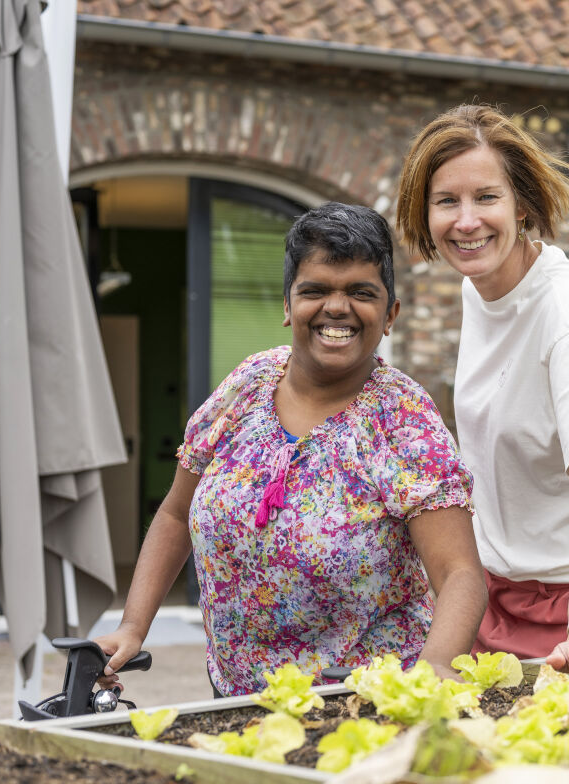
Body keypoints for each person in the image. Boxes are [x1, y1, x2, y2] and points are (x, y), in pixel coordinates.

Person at [95, 203, 486, 696]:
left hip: (358, 703)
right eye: (315, 290)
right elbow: (176, 515)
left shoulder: (403, 421)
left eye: (361, 293)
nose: (337, 307)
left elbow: (460, 574)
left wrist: (436, 667)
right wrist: (133, 627)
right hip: (234, 695)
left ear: (390, 315)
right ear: (287, 305)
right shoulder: (248, 384)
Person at [396, 104, 569, 672]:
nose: (466, 221)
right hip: (500, 602)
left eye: (486, 197)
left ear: (522, 205)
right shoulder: (483, 292)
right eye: (447, 201)